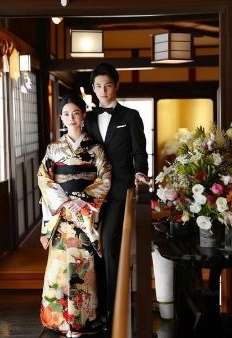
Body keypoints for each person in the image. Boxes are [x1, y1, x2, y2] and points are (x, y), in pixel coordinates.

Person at [38, 94, 112, 338]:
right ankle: (60, 320)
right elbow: (44, 178)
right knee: (59, 267)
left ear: (83, 116)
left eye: (76, 113)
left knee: (83, 268)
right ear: (61, 117)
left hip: (83, 214)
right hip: (62, 215)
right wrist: (63, 202)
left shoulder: (95, 149)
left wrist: (81, 199)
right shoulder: (53, 149)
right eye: (66, 114)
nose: (71, 118)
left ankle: (82, 320)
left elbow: (104, 178)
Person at [85, 62, 149, 328]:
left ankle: (114, 310)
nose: (103, 90)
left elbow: (139, 153)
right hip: (90, 193)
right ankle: (92, 308)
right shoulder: (86, 118)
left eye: (108, 85)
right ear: (93, 89)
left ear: (116, 86)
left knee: (109, 242)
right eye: (98, 86)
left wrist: (140, 173)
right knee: (90, 248)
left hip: (119, 191)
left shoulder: (130, 116)